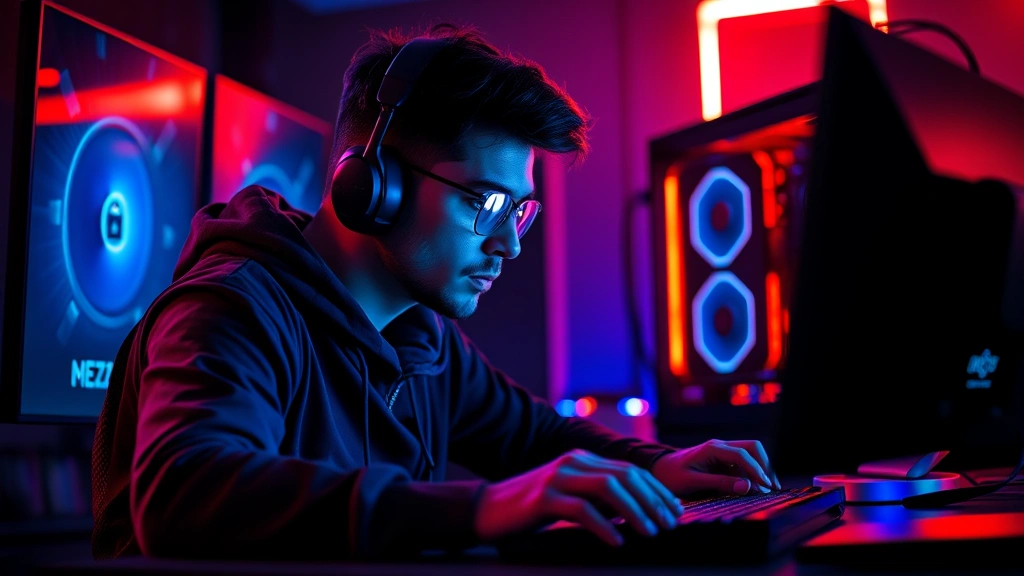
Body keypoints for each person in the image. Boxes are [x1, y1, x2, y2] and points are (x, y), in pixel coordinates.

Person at [90, 23, 781, 561]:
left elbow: (534, 439)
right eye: (485, 204)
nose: (509, 243)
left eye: (521, 212)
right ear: (372, 185)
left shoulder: (421, 339)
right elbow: (186, 492)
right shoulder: (231, 310)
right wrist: (478, 509)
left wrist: (663, 466)